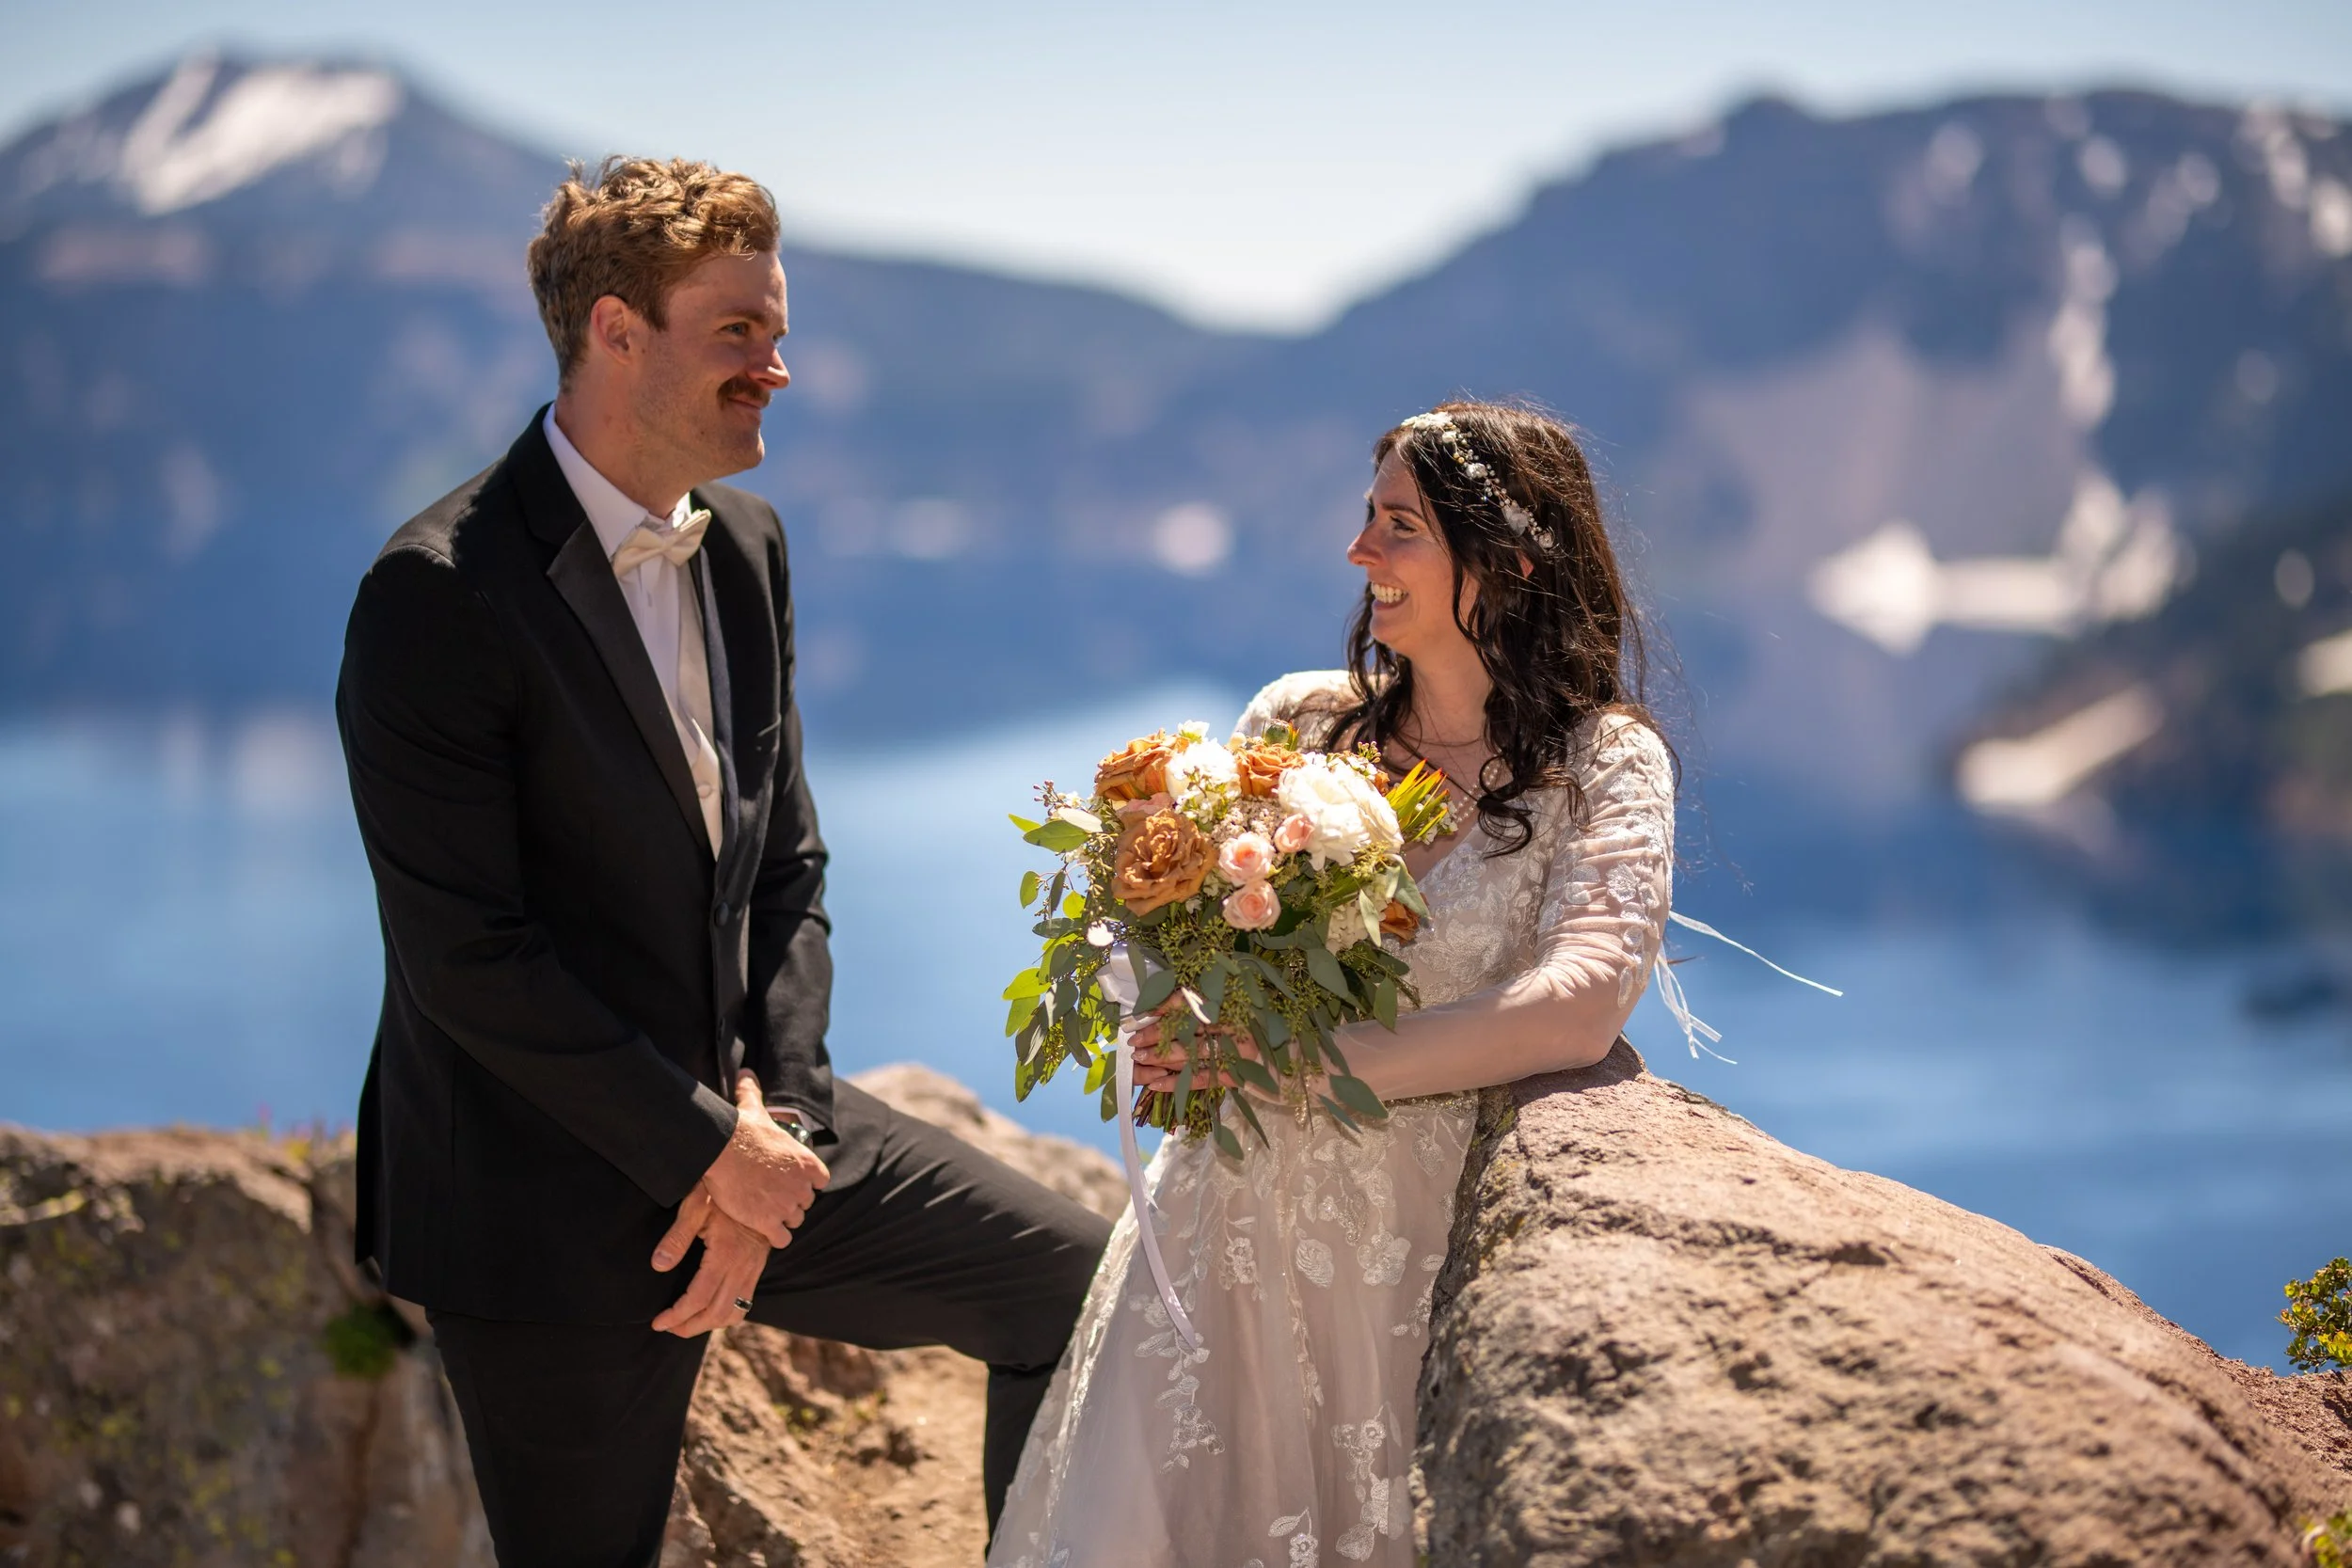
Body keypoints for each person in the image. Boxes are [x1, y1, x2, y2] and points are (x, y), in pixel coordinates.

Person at [336, 156, 1110, 1568]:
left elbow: (785, 872)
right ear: (614, 332)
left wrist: (784, 1128)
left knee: (1074, 1290)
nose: (779, 369)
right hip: (541, 1192)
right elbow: (470, 960)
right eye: (739, 333)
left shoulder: (745, 541)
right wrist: (712, 1149)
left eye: (779, 329)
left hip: (766, 1129)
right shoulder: (437, 591)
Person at [989, 401, 1678, 1567]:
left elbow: (1585, 996)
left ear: (1505, 560)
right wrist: (1172, 1017)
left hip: (1408, 1257)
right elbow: (1199, 960)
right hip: (1222, 1228)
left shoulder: (1604, 761)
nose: (1360, 554)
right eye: (1367, 520)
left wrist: (1299, 1064)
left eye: (1398, 527)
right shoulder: (1294, 722)